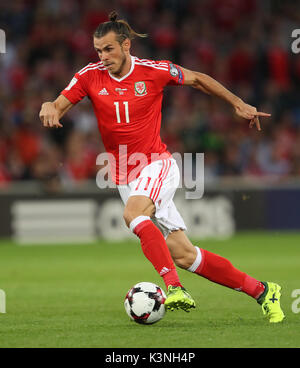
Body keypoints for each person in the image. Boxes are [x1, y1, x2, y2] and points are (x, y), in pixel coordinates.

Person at [39, 11, 284, 322]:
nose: (103, 57)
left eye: (109, 49)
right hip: (123, 174)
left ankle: (174, 288)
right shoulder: (89, 75)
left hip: (156, 164)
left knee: (132, 214)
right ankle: (263, 291)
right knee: (183, 254)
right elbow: (59, 103)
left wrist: (237, 103)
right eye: (98, 50)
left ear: (126, 45)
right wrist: (50, 105)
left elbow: (198, 79)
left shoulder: (153, 70)